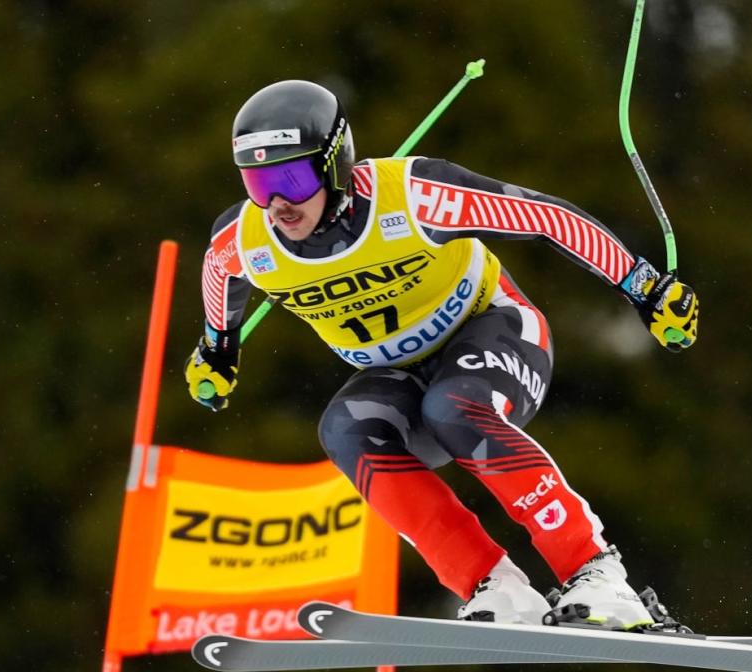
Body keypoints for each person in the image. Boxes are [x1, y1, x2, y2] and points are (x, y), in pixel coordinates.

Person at [184, 80, 699, 629]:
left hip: (494, 331)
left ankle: (596, 571)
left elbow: (546, 219)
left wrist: (644, 287)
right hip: (395, 372)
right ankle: (493, 585)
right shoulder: (245, 239)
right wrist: (218, 349)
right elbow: (220, 279)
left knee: (452, 406)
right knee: (345, 429)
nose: (278, 203)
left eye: (292, 177)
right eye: (259, 183)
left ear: (335, 164)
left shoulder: (412, 196)